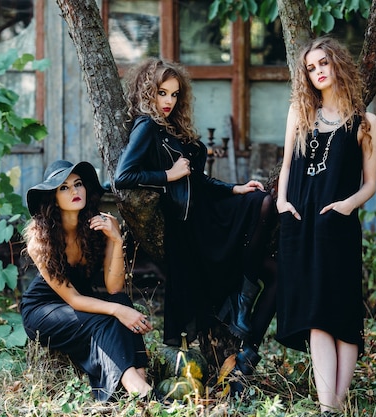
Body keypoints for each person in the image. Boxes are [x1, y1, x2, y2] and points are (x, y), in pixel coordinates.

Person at [113, 58, 278, 392]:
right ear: (148, 91)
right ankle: (243, 303)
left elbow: (198, 182)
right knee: (264, 208)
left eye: (174, 94)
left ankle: (246, 320)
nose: (169, 101)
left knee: (265, 210)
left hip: (207, 209)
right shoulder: (147, 125)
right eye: (162, 93)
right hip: (191, 225)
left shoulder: (172, 126)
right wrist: (167, 176)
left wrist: (234, 188)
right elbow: (123, 176)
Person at [275, 37, 376, 415]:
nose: (318, 71)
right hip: (301, 223)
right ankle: (328, 407)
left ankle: (337, 402)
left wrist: (346, 207)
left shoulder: (365, 123)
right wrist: (282, 203)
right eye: (311, 67)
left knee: (344, 312)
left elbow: (370, 183)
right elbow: (286, 166)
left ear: (337, 65)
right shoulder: (299, 114)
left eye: (323, 63)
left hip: (339, 226)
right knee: (316, 312)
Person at [20, 159, 154, 402]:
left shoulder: (98, 225)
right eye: (64, 187)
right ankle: (136, 386)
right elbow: (73, 298)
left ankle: (140, 381)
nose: (74, 191)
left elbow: (114, 288)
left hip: (80, 305)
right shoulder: (39, 238)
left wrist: (116, 240)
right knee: (110, 317)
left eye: (78, 184)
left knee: (120, 300)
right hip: (44, 310)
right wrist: (119, 311)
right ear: (52, 197)